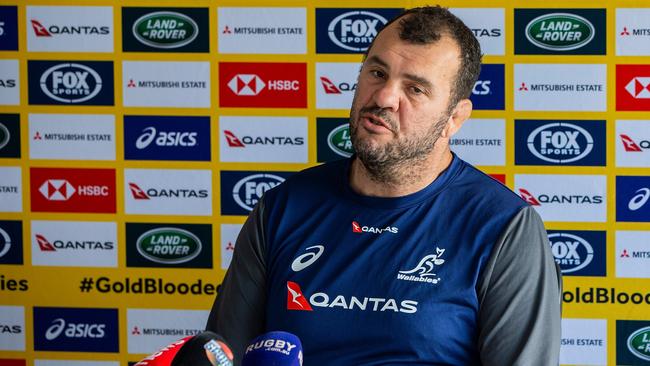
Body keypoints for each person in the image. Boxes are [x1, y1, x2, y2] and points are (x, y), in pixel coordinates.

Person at [207, 6, 561, 365]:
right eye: (377, 73)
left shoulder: (503, 228)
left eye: (415, 88)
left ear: (454, 118)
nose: (384, 98)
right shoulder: (281, 208)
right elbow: (222, 356)